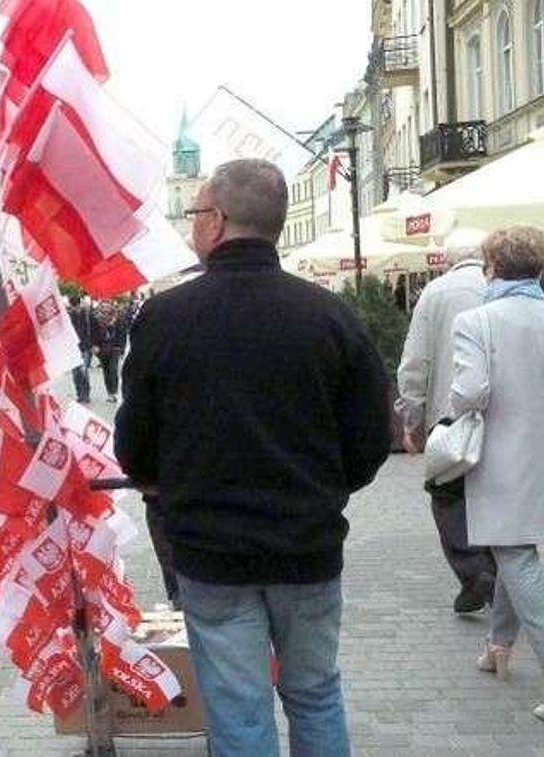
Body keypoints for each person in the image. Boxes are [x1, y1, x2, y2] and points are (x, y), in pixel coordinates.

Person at [115, 158, 392, 757]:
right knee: (315, 693)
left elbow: (134, 445)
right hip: (308, 545)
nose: (192, 224)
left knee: (238, 708)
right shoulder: (330, 315)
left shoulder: (166, 317)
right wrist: (322, 489)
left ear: (214, 221)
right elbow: (372, 437)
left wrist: (172, 483)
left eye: (194, 213)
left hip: (213, 552)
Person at [447, 227, 544, 718]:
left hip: (506, 455)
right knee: (515, 547)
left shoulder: (477, 321)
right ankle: (498, 646)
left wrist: (450, 412)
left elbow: (469, 391)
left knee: (516, 554)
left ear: (492, 268)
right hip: (540, 452)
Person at [396, 236, 496, 613]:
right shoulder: (499, 288)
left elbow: (415, 361)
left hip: (449, 415)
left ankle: (474, 570)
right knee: (494, 494)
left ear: (448, 260)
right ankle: (498, 569)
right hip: (501, 415)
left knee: (448, 494)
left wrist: (411, 418)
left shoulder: (434, 293)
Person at [92, 299, 127, 403]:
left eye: (108, 306)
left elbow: (122, 334)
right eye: (103, 306)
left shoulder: (118, 318)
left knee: (113, 370)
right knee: (106, 371)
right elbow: (93, 333)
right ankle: (109, 393)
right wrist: (94, 345)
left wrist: (122, 348)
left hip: (114, 347)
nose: (105, 308)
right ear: (101, 307)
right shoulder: (96, 319)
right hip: (102, 348)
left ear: (111, 306)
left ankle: (114, 392)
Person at [67, 294, 93, 403]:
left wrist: (92, 344)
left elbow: (92, 329)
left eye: (76, 306)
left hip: (84, 347)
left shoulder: (87, 315)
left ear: (79, 304)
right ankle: (79, 394)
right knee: (75, 374)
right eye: (73, 307)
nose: (75, 309)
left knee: (84, 372)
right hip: (73, 348)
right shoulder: (68, 317)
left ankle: (86, 394)